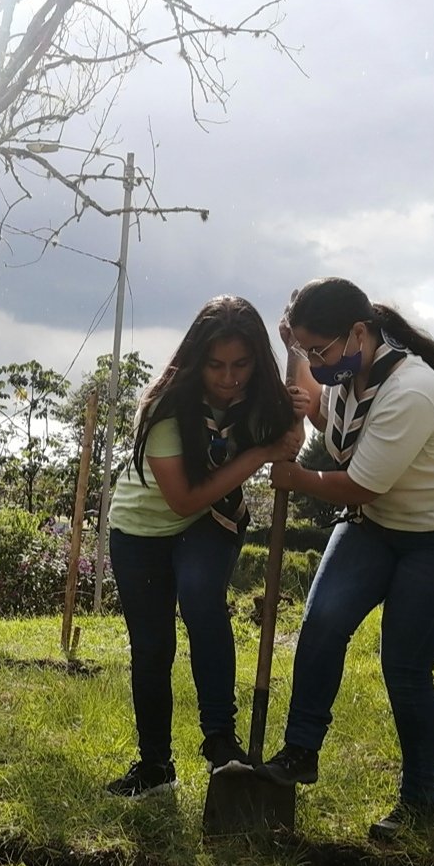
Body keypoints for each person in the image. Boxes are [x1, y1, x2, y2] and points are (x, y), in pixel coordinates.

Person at [254, 277, 434, 841]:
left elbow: (361, 484)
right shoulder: (346, 367)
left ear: (359, 333)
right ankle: (300, 751)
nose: (314, 361)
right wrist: (302, 379)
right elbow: (334, 422)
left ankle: (421, 807)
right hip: (377, 530)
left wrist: (296, 478)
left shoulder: (410, 390)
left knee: (405, 669)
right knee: (322, 623)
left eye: (321, 350)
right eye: (306, 351)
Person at [105, 295, 307, 798]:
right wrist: (261, 452)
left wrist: (295, 356)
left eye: (241, 364)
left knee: (200, 597)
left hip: (213, 519)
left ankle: (221, 743)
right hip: (142, 529)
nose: (228, 377)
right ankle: (155, 767)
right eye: (216, 365)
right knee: (152, 648)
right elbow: (182, 499)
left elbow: (290, 440)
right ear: (198, 361)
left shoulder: (257, 396)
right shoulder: (165, 408)